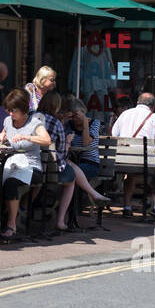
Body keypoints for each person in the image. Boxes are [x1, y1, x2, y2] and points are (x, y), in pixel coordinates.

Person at [42, 92, 109, 232]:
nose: (76, 119)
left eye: (77, 115)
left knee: (70, 172)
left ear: (84, 112)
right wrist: (66, 121)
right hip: (71, 159)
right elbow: (61, 142)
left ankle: (66, 214)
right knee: (68, 170)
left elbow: (86, 144)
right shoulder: (68, 125)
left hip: (90, 163)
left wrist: (85, 123)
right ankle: (90, 197)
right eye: (73, 116)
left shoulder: (94, 123)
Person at [0, 88, 52, 239]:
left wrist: (27, 137)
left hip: (32, 166)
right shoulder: (8, 121)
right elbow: (5, 133)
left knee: (11, 183)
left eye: (13, 110)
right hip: (13, 163)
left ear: (23, 108)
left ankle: (11, 224)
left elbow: (47, 140)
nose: (10, 114)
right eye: (8, 110)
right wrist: (2, 136)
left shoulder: (35, 123)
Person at [110, 91, 155, 220]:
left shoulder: (124, 114)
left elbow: (113, 134)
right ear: (153, 106)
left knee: (131, 173)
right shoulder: (154, 117)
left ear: (138, 103)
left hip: (123, 160)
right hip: (147, 163)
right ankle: (153, 201)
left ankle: (127, 207)